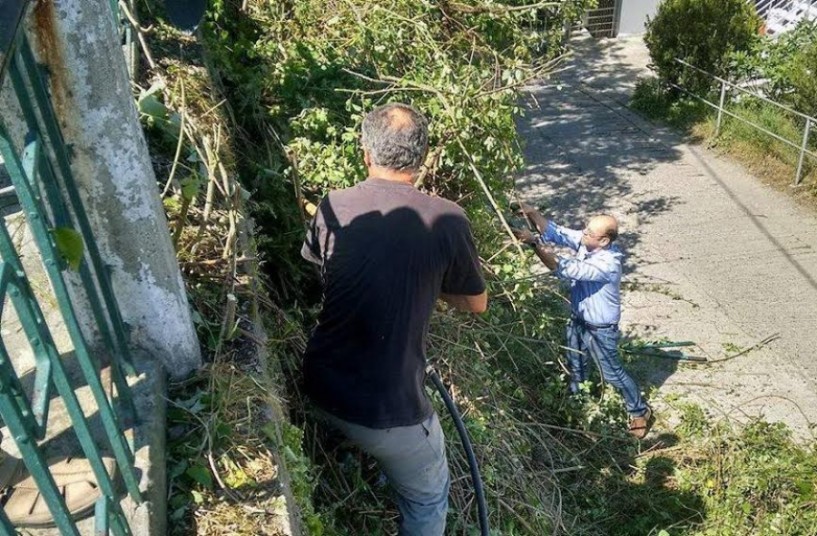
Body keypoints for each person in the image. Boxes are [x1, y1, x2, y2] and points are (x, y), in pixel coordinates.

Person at [301, 103, 488, 535]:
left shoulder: (334, 206)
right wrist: (430, 280)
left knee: (388, 447)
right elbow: (476, 303)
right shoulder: (447, 219)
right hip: (388, 409)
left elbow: (320, 268)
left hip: (319, 383)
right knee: (428, 497)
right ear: (423, 157)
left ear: (366, 153)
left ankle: (370, 462)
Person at [513, 204, 652, 439]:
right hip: (578, 319)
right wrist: (532, 213)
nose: (583, 234)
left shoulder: (606, 264)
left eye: (589, 233)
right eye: (586, 230)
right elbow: (558, 232)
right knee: (576, 365)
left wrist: (534, 244)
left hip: (600, 329)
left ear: (604, 241)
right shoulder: (589, 242)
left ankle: (639, 410)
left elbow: (562, 267)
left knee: (612, 373)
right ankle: (581, 408)